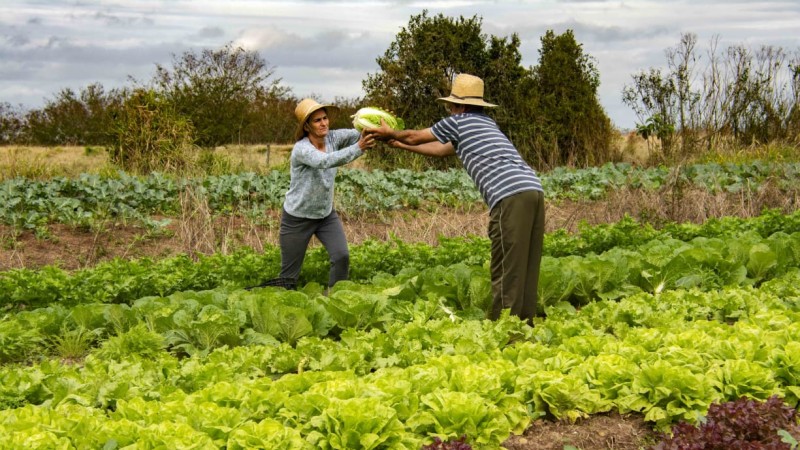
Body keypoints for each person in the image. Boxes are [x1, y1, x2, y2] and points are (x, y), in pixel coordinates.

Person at [365, 73, 545, 326]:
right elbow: (441, 150)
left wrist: (390, 133)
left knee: (506, 265)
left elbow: (416, 136)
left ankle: (507, 329)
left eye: (450, 105)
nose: (449, 110)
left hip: (509, 196)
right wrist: (400, 144)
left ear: (459, 106)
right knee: (526, 262)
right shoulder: (485, 124)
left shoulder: (459, 121)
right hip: (533, 190)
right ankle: (525, 324)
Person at [277, 98, 375, 290]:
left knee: (341, 256)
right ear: (306, 126)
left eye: (325, 118)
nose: (324, 123)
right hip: (297, 218)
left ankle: (335, 298)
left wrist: (376, 125)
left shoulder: (333, 138)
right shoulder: (302, 149)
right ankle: (283, 309)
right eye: (317, 120)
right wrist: (359, 148)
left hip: (325, 215)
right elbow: (325, 161)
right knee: (288, 277)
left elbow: (359, 133)